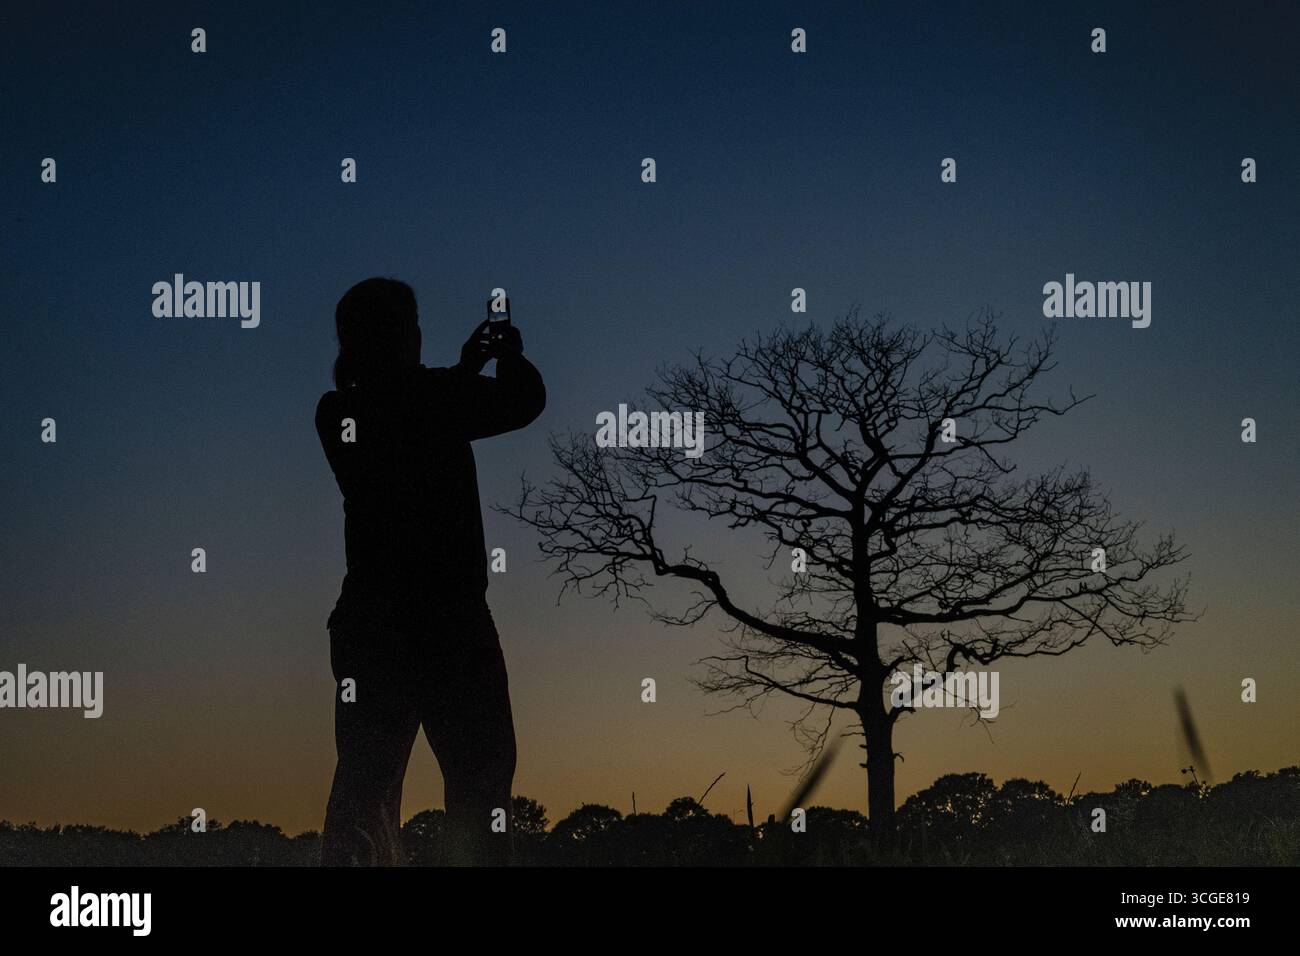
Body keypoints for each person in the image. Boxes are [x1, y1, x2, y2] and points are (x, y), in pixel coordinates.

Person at [315, 277, 545, 865]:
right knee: (479, 792)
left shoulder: (340, 411)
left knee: (365, 794)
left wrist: (467, 367)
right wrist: (504, 356)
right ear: (401, 336)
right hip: (450, 624)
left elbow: (418, 406)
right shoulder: (434, 399)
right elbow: (524, 401)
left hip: (373, 626)